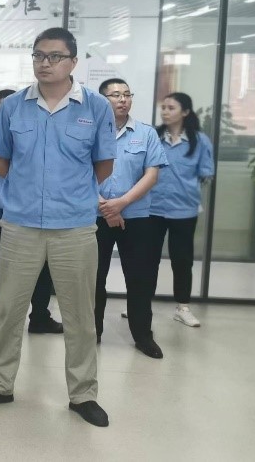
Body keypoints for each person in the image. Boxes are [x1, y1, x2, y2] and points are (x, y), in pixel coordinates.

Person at [0, 27, 115, 428]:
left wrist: (69, 192)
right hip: (21, 224)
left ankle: (83, 394)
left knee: (79, 316)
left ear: (73, 62)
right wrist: (27, 189)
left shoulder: (96, 107)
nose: (44, 63)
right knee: (8, 311)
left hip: (75, 227)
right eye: (38, 56)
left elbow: (104, 164)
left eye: (54, 56)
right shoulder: (14, 106)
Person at [0, 89, 62, 338]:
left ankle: (39, 316)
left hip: (38, 206)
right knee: (12, 261)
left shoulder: (33, 135)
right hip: (13, 207)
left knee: (40, 263)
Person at [91, 79, 168, 357]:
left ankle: (143, 336)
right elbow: (77, 171)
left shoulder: (146, 133)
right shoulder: (89, 131)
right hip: (94, 216)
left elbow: (152, 175)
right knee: (93, 279)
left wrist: (121, 204)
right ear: (102, 100)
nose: (122, 99)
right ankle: (92, 333)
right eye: (115, 95)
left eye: (126, 94)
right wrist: (104, 206)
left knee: (140, 279)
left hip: (136, 217)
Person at [150, 92, 214, 328]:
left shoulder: (200, 140)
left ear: (185, 112)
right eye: (163, 107)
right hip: (152, 208)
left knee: (182, 260)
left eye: (171, 108)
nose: (165, 112)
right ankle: (140, 303)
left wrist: (188, 189)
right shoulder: (153, 136)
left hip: (184, 210)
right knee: (147, 259)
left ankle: (183, 308)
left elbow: (206, 172)